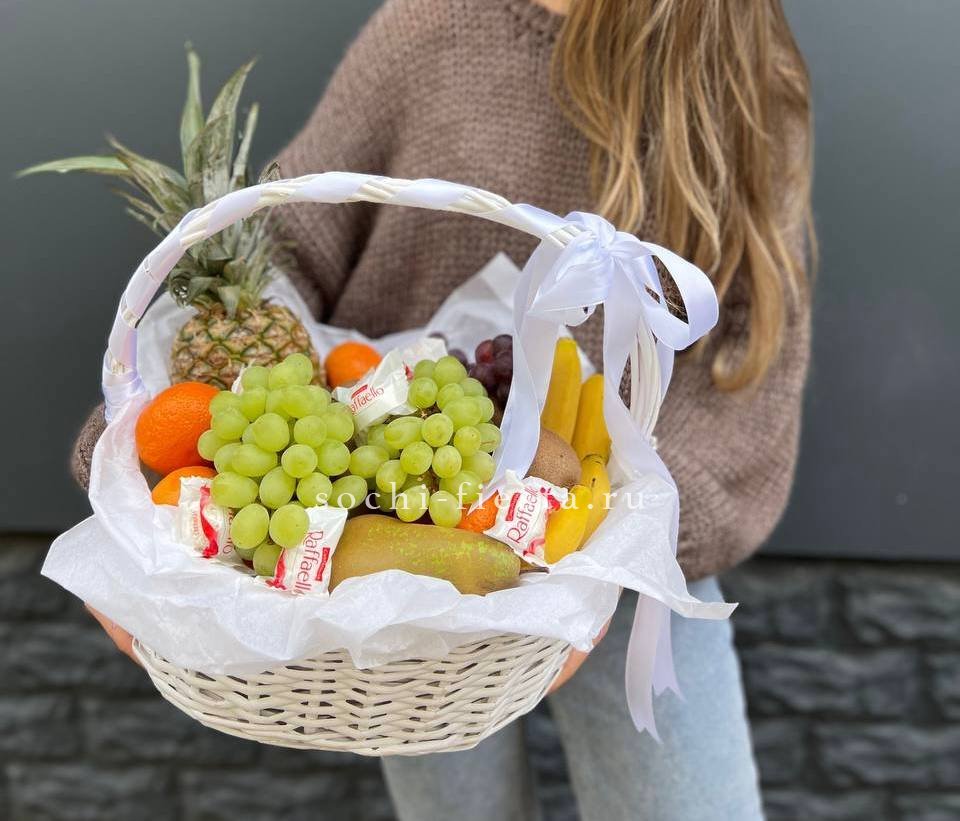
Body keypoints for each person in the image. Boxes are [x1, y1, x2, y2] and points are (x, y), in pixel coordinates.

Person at [73, 0, 814, 817]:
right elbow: (284, 247)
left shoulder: (740, 66)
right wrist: (131, 449)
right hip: (397, 557)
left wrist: (611, 547)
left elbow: (753, 379)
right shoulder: (432, 27)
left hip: (637, 565)